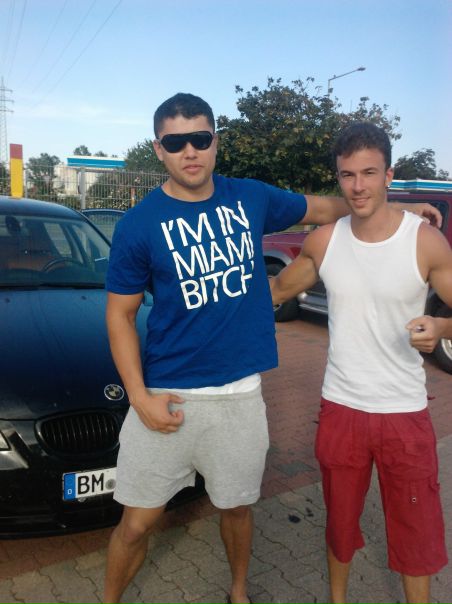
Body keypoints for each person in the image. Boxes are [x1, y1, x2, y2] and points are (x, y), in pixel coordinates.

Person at [104, 93, 441, 604]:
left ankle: (239, 593)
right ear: (159, 149)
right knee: (136, 523)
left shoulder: (249, 197)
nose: (190, 151)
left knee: (237, 509)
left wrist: (396, 207)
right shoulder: (138, 225)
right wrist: (139, 396)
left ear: (216, 141)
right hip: (167, 396)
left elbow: (325, 207)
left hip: (241, 397)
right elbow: (120, 316)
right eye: (175, 142)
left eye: (201, 138)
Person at [270, 122, 452, 604]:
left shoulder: (425, 243)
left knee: (416, 529)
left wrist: (441, 327)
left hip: (404, 412)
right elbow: (273, 292)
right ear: (338, 177)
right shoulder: (324, 241)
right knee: (340, 523)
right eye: (347, 175)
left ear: (388, 175)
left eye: (369, 173)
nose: (357, 185)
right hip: (342, 408)